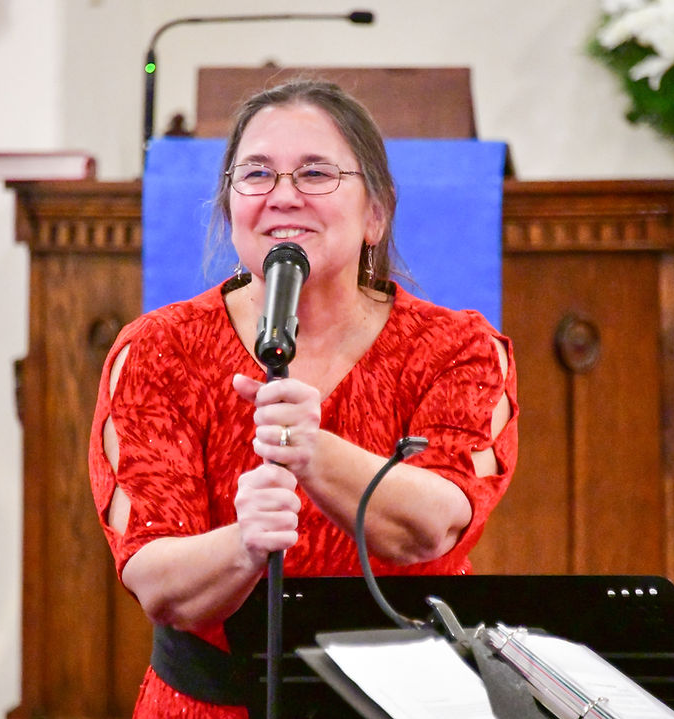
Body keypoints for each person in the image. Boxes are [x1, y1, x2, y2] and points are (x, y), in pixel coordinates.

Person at [89, 78, 518, 719]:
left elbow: (431, 526)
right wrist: (242, 547)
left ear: (376, 212)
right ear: (230, 205)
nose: (283, 195)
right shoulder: (157, 350)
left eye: (315, 173)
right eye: (256, 174)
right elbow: (154, 580)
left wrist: (311, 452)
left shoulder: (458, 348)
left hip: (414, 700)